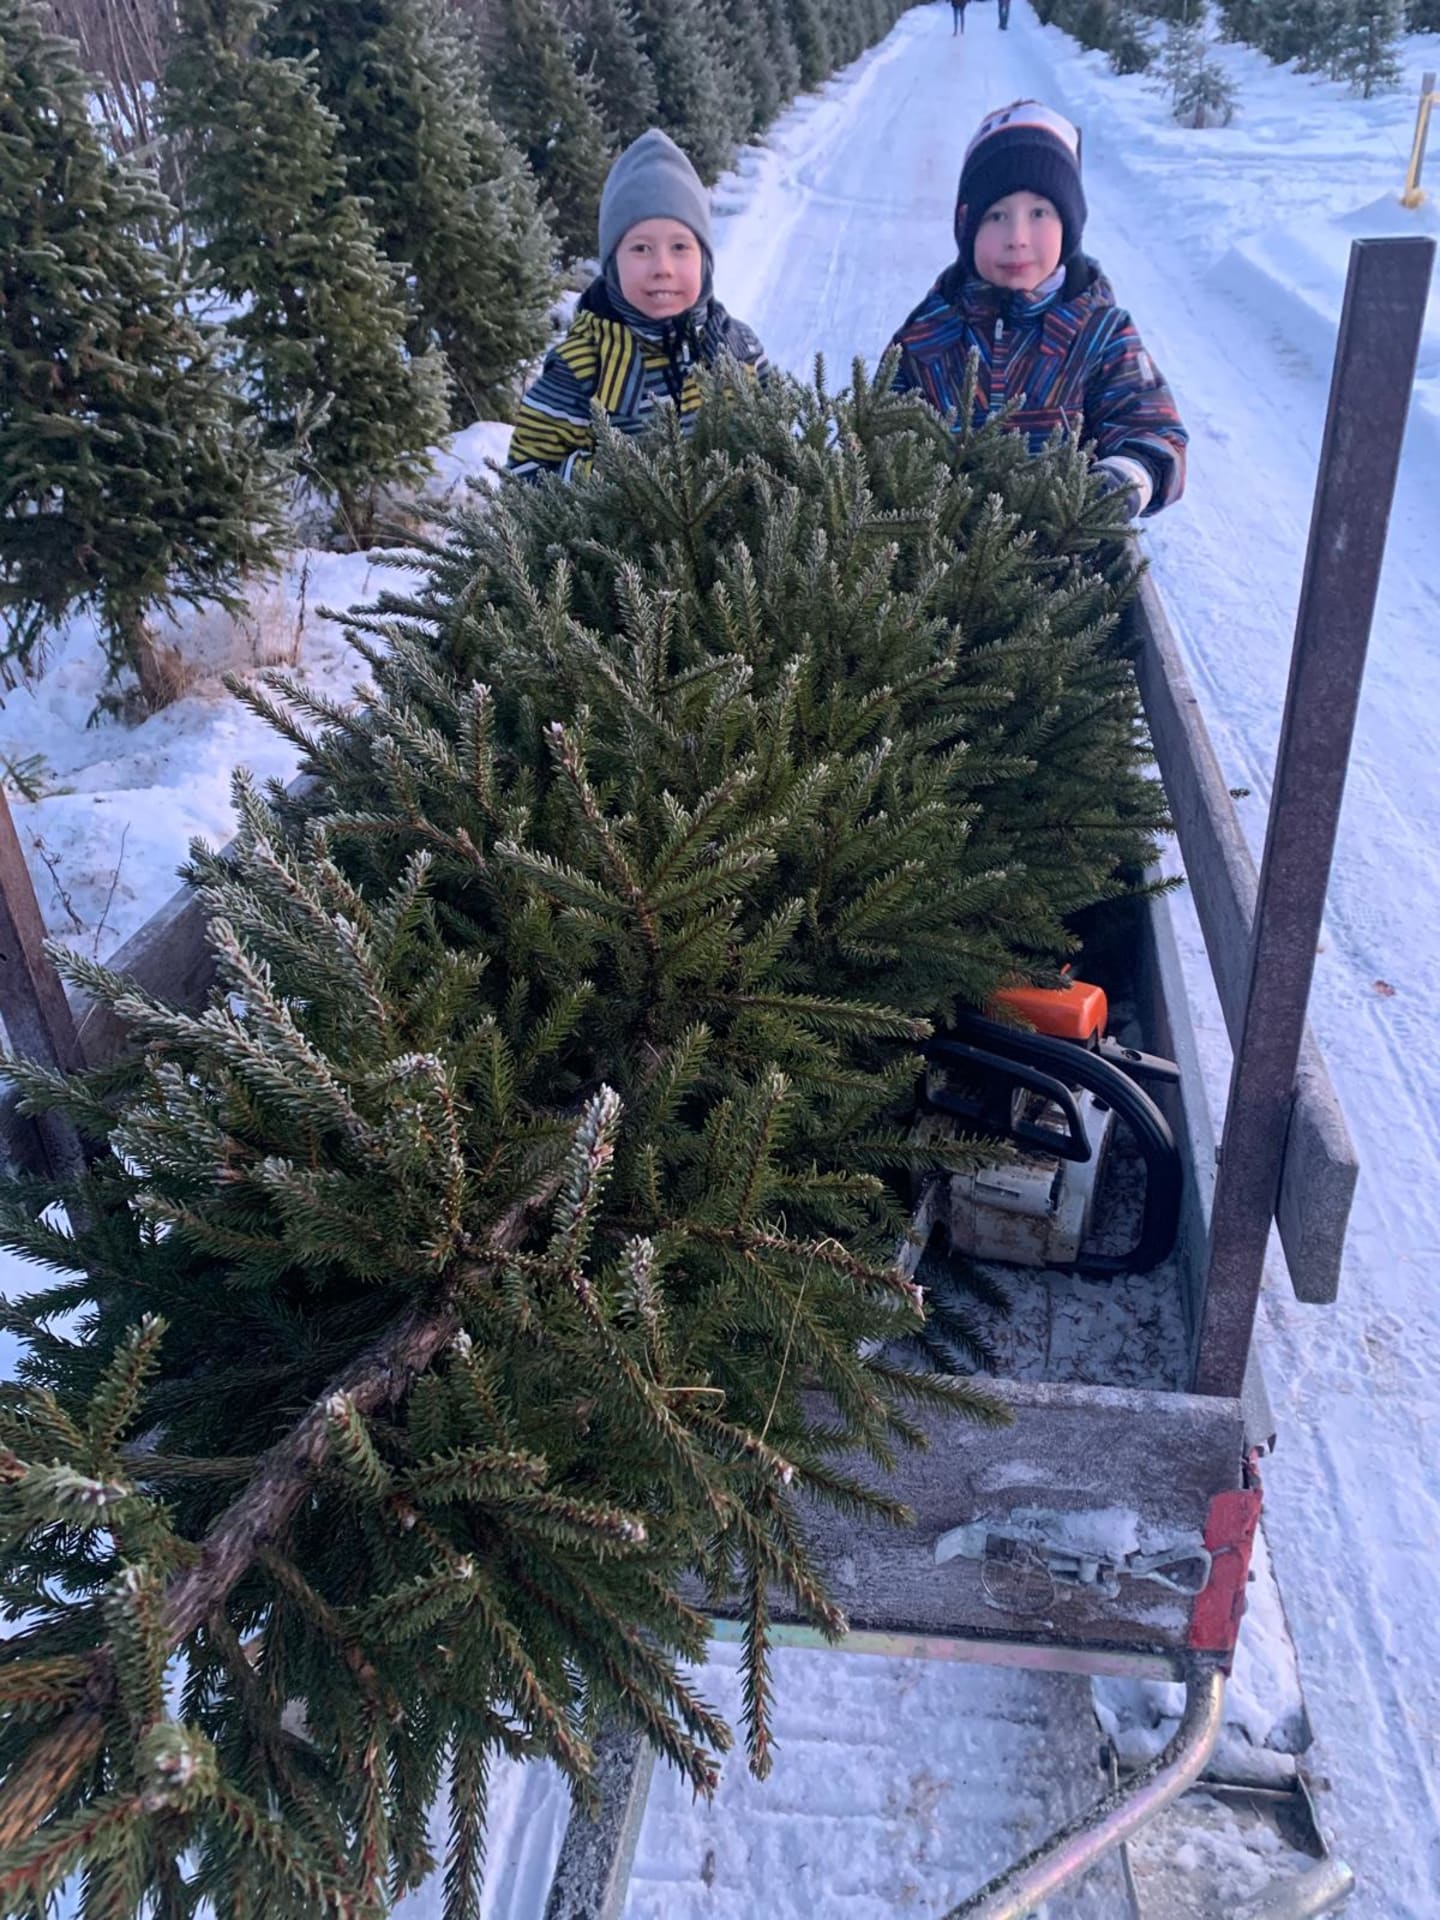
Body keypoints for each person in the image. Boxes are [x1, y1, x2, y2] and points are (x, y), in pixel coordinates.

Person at [887, 101, 1186, 520]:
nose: (1017, 237)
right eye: (996, 216)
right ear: (965, 227)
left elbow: (1152, 430)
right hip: (945, 552)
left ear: (1070, 226)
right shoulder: (930, 332)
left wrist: (1125, 477)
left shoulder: (1099, 334)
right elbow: (881, 425)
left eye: (1039, 213)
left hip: (1066, 558)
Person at [507, 129, 768, 482]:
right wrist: (616, 485)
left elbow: (777, 448)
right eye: (641, 248)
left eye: (680, 247)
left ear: (705, 260)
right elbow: (524, 476)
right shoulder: (580, 370)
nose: (662, 267)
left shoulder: (741, 350)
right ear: (612, 264)